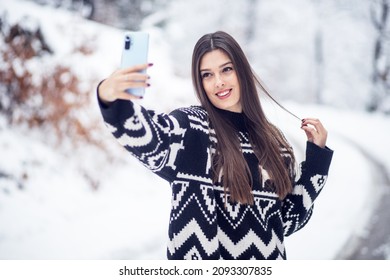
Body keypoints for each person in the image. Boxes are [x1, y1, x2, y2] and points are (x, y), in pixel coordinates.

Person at [97, 31, 333, 260]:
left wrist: (316, 164)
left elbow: (285, 222)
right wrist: (111, 99)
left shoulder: (275, 142)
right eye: (206, 75)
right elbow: (150, 139)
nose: (218, 82)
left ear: (242, 71)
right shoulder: (193, 129)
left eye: (226, 69)